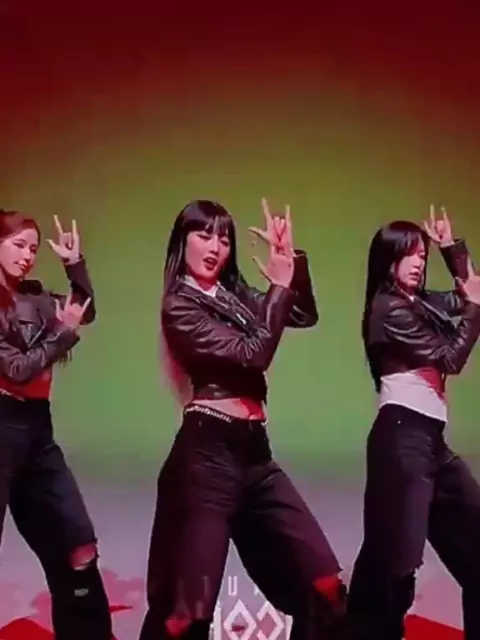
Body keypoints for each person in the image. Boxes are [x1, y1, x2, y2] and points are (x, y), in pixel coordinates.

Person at [139, 199, 347, 640]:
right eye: (204, 235)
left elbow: (302, 314)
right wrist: (277, 288)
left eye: (224, 238)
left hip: (255, 455)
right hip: (206, 459)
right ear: (182, 242)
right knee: (186, 615)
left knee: (325, 586)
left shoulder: (234, 296)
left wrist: (290, 265)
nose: (215, 247)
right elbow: (254, 354)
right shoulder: (179, 305)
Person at [346, 207, 480, 639]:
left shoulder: (420, 303)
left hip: (432, 442)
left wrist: (451, 249)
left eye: (423, 254)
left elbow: (468, 293)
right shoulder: (387, 309)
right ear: (389, 259)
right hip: (402, 438)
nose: (419, 262)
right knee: (395, 569)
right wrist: (475, 310)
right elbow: (451, 358)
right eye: (410, 254)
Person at [0, 210, 112, 639]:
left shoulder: (37, 297)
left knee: (78, 545)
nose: (27, 256)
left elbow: (85, 310)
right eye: (18, 245)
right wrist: (63, 333)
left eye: (33, 248)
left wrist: (74, 265)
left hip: (36, 433)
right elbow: (16, 369)